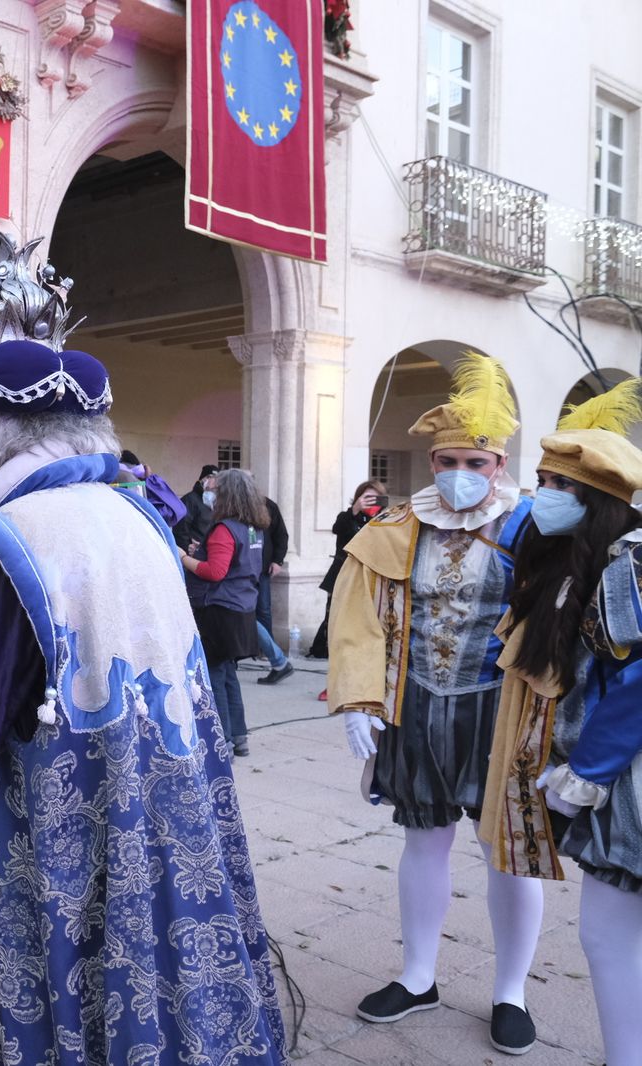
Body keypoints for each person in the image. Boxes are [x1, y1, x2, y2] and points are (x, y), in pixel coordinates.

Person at [0, 320, 286, 1063]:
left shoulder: (15, 534)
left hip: (66, 811)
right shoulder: (134, 511)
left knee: (72, 957)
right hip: (168, 791)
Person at [327, 352, 541, 1055]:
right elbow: (357, 615)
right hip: (417, 704)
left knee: (508, 850)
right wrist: (359, 698)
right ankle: (419, 976)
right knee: (424, 837)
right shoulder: (395, 526)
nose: (459, 473)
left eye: (474, 463)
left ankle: (510, 990)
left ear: (499, 466)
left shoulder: (533, 530)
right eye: (448, 459)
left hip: (499, 708)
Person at [478, 380, 642, 1066]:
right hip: (607, 769)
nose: (541, 494)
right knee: (609, 933)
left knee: (608, 935)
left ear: (594, 500)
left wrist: (590, 770)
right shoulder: (581, 559)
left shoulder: (626, 565)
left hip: (626, 778)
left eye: (557, 485)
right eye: (541, 479)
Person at [179, 468, 267, 757]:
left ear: (226, 495)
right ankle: (238, 736)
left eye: (214, 489)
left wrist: (184, 558)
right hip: (241, 608)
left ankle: (222, 741)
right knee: (229, 674)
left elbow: (215, 572)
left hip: (218, 610)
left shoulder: (224, 528)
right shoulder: (252, 527)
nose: (209, 493)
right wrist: (202, 551)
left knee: (215, 676)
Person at [308, 481, 387, 688]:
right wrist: (355, 511)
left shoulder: (385, 520)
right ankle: (334, 681)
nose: (370, 502)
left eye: (375, 498)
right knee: (336, 628)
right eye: (366, 497)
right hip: (343, 578)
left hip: (371, 579)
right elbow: (340, 530)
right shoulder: (346, 517)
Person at [255, 491, 294, 685]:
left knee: (260, 612)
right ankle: (275, 658)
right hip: (242, 570)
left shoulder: (267, 505)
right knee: (246, 616)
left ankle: (272, 656)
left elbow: (281, 535)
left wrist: (278, 560)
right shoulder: (229, 506)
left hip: (259, 570)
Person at [172, 462, 218, 550]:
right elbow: (181, 529)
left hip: (209, 551)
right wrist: (187, 546)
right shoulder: (190, 499)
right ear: (201, 479)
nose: (212, 481)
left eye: (215, 479)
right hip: (193, 553)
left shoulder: (217, 501)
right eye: (208, 477)